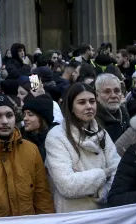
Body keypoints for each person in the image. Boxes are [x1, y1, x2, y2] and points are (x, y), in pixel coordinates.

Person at [45, 83, 120, 213]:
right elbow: (67, 185)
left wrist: (101, 193)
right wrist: (103, 174)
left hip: (104, 212)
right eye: (81, 102)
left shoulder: (102, 133)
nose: (89, 106)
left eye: (92, 101)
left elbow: (118, 171)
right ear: (71, 107)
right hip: (73, 214)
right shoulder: (56, 137)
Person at [95, 74, 130, 142]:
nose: (113, 96)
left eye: (117, 91)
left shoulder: (124, 113)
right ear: (97, 95)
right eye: (107, 92)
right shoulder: (92, 120)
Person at [22, 93, 57, 161]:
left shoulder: (57, 138)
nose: (25, 118)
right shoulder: (20, 138)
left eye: (30, 114)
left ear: (43, 118)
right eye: (24, 114)